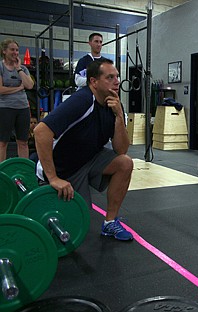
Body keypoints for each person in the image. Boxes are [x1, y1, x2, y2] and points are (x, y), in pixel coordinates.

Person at [34, 58, 134, 241]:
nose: (117, 81)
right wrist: (54, 177)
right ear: (93, 82)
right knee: (71, 231)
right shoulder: (82, 100)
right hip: (63, 170)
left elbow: (121, 150)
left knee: (125, 163)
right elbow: (41, 132)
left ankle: (110, 223)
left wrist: (119, 115)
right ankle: (49, 182)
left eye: (117, 76)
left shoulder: (114, 104)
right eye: (110, 77)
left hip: (88, 160)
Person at [0, 38, 34, 162]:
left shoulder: (23, 69)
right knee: (3, 142)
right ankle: (1, 173)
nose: (15, 52)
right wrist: (19, 88)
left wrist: (18, 68)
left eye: (17, 50)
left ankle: (24, 170)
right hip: (5, 108)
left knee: (23, 142)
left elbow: (30, 85)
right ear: (4, 51)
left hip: (22, 108)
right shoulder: (1, 67)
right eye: (12, 49)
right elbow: (0, 89)